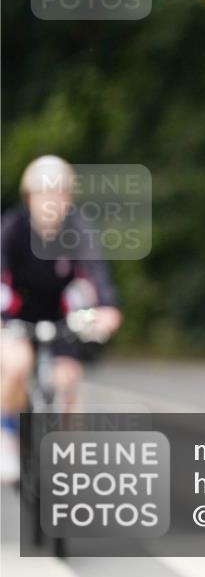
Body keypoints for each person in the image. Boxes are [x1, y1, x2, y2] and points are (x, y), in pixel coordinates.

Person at [1, 156, 122, 483]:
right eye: (44, 193)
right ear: (30, 197)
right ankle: (7, 434)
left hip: (61, 315)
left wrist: (107, 307)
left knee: (66, 379)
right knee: (15, 365)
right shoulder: (13, 227)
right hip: (17, 312)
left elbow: (95, 269)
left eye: (59, 194)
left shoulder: (78, 228)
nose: (52, 201)